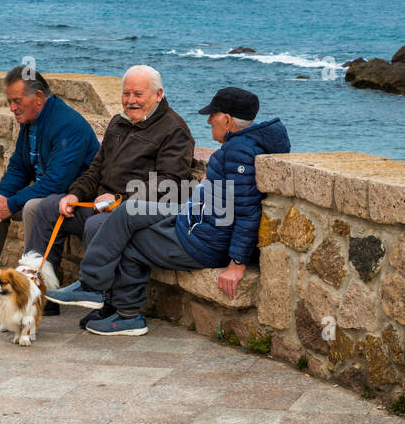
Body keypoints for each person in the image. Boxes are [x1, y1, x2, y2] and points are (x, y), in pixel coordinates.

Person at [46, 86, 290, 335]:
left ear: (227, 120)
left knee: (129, 239)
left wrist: (236, 264)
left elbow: (248, 212)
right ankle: (94, 288)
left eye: (213, 115)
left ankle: (124, 313)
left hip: (203, 241)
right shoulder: (241, 145)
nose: (208, 120)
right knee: (129, 210)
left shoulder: (240, 152)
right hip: (193, 215)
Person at [25, 64, 194, 327]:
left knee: (97, 223)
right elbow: (96, 168)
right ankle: (37, 293)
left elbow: (170, 183)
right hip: (103, 203)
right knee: (48, 207)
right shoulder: (118, 122)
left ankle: (106, 301)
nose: (130, 101)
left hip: (135, 211)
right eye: (126, 94)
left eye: (138, 94)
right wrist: (75, 194)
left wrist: (119, 201)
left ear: (158, 95)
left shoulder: (175, 129)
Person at [0, 66, 98, 301]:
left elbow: (57, 182)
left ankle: (38, 288)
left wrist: (11, 204)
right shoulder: (31, 121)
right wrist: (2, 198)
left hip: (74, 199)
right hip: (51, 192)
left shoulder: (67, 125)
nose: (12, 108)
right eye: (9, 102)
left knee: (31, 206)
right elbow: (18, 167)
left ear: (37, 97)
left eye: (17, 101)